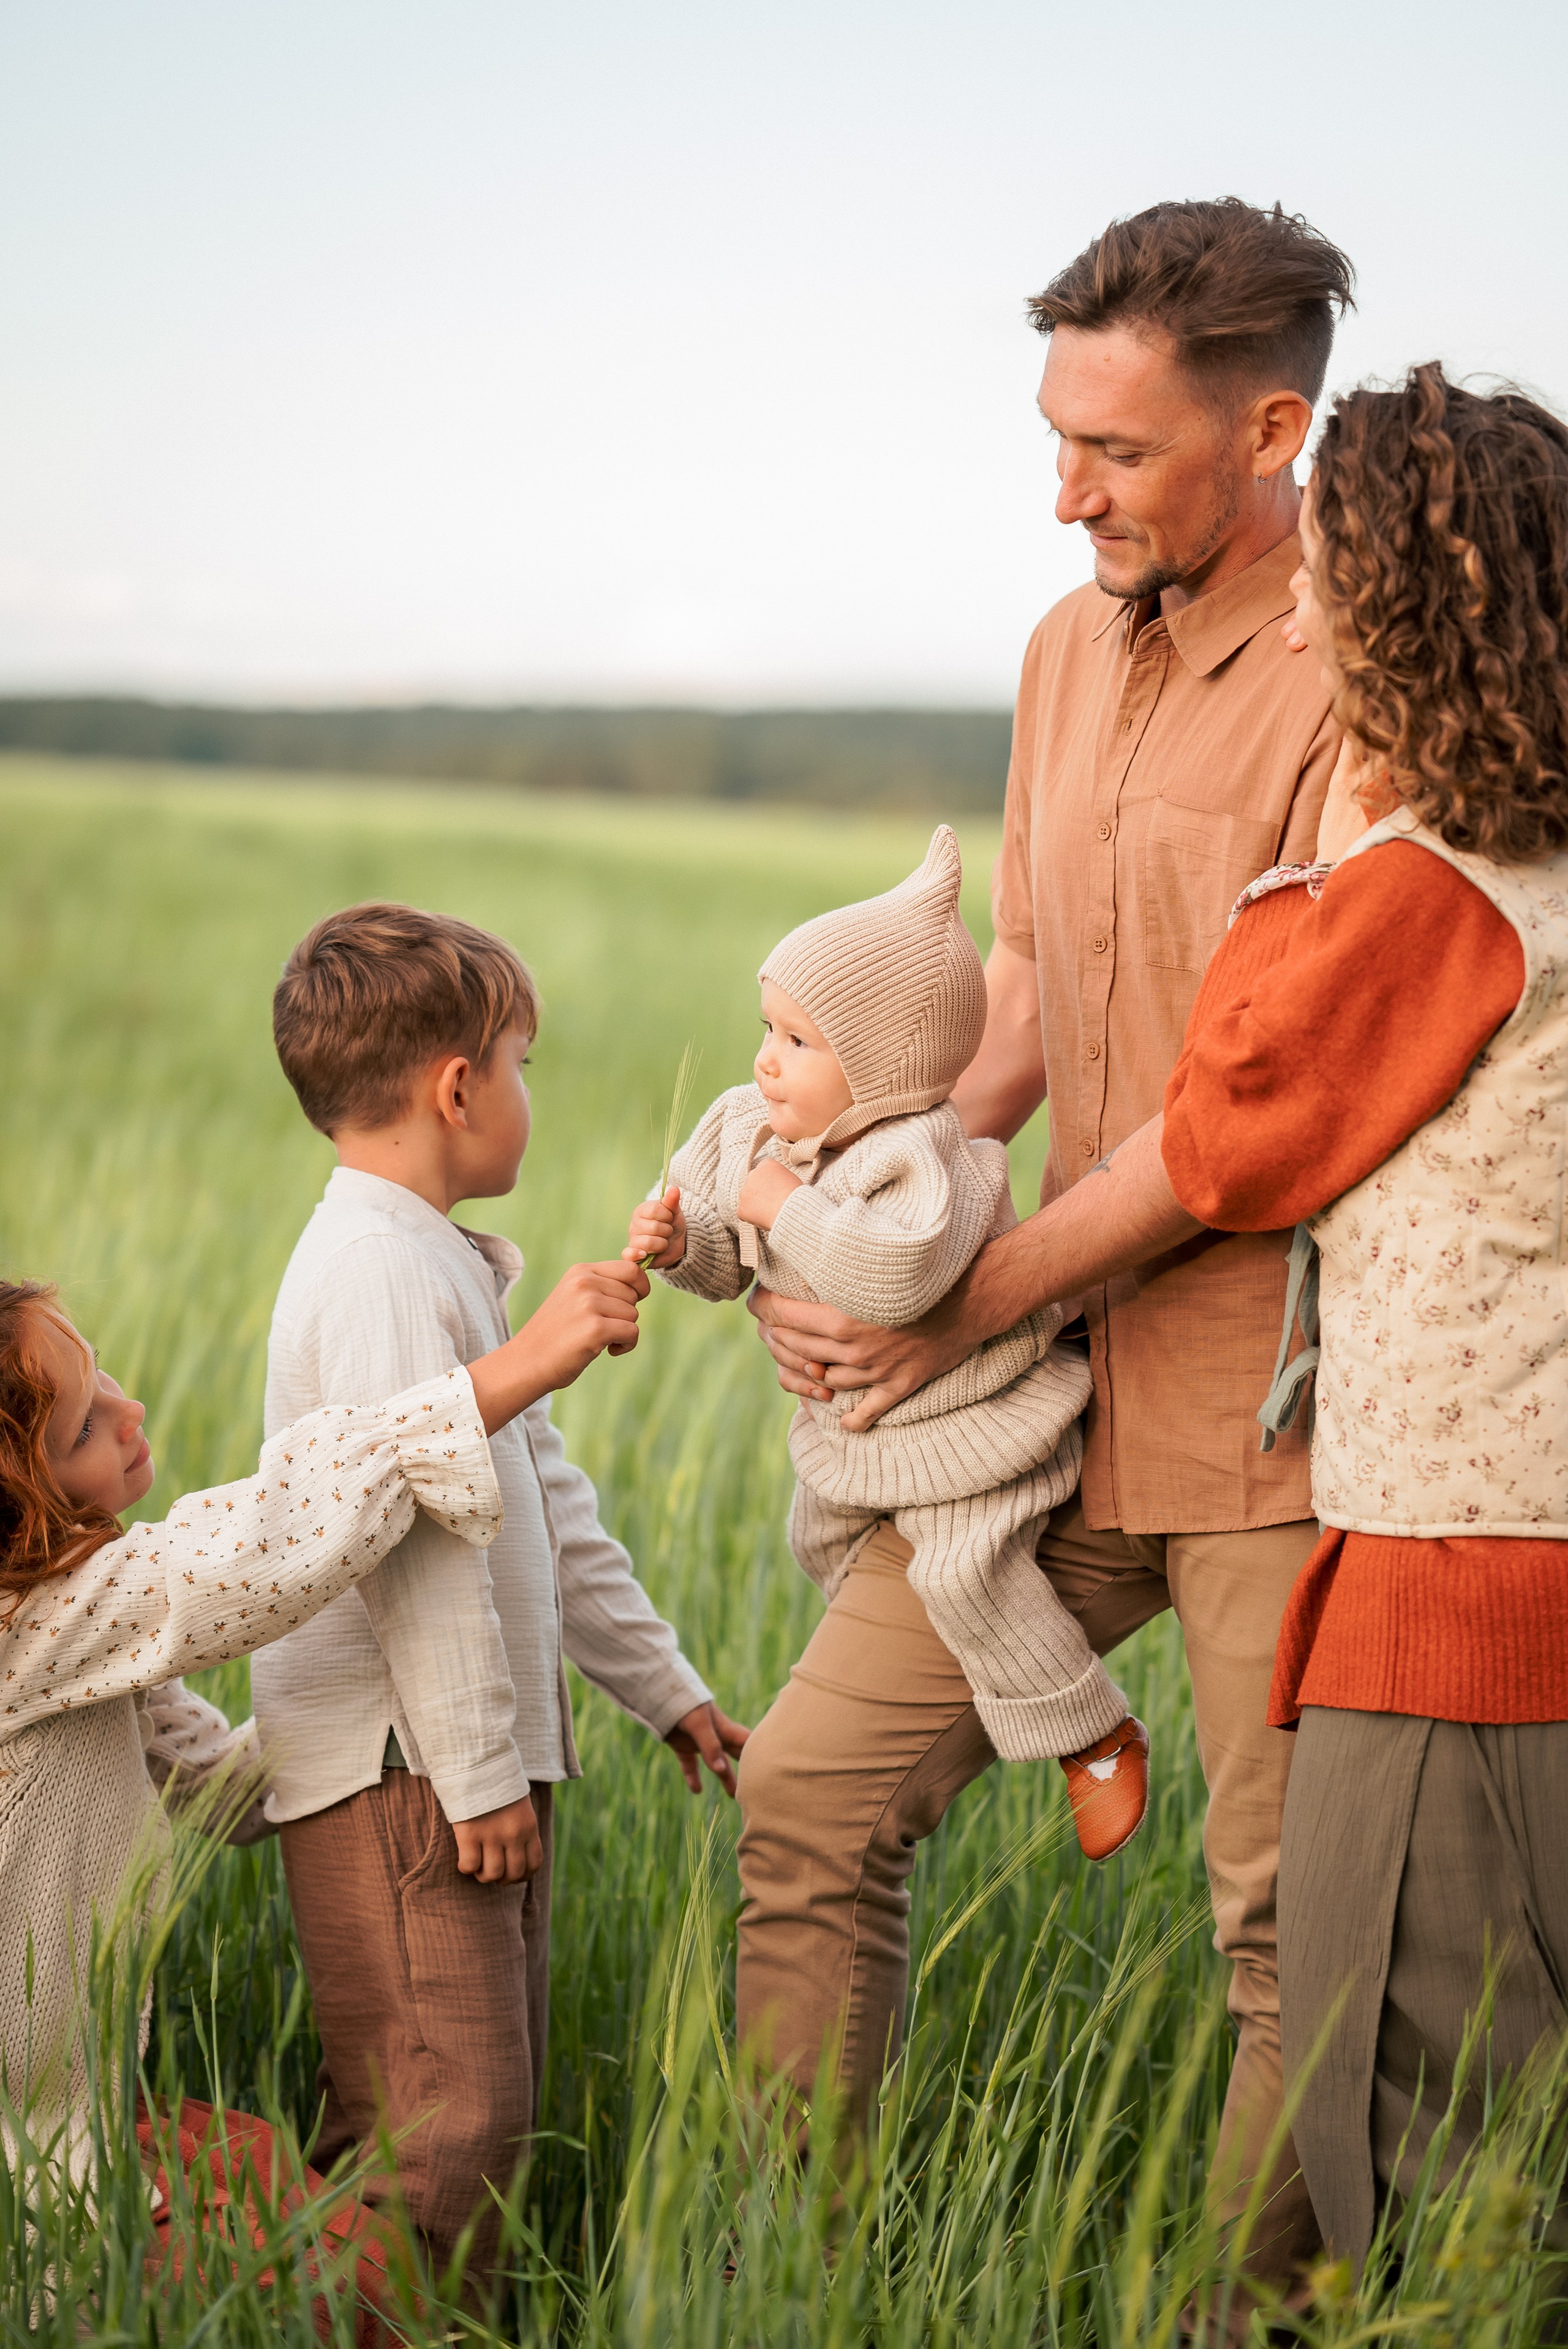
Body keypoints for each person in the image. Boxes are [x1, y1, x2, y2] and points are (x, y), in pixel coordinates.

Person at [737, 195, 1354, 2285]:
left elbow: (1255, 1105)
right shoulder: (1060, 651)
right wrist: (859, 1241)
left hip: (1289, 1417)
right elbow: (1019, 991)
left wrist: (955, 1304)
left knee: (1289, 1941)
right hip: (1049, 1404)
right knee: (811, 1795)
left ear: (1270, 431)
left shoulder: (1364, 681)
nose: (1064, 493)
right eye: (1055, 437)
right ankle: (788, 2284)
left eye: (1114, 451)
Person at [1160, 363, 1568, 2275]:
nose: (1301, 621)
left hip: (1464, 1602)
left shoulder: (1440, 892)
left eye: (1325, 575)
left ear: (1407, 604)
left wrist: (1333, 831)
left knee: (1430, 2168)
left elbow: (1225, 1131)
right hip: (1506, 1572)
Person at [0, 1248, 645, 2318]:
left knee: (331, 2236)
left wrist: (385, 1712)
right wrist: (503, 1377)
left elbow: (219, 1789)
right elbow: (246, 1550)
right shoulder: (27, 1628)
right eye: (81, 1428)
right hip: (35, 2173)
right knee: (366, 2290)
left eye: (102, 1375)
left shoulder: (75, 1639)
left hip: (84, 2120)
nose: (128, 1409)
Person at [254, 902, 749, 2276]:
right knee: (443, 2131)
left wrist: (663, 1689)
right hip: (406, 1772)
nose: (529, 1093)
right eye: (523, 1065)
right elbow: (409, 1546)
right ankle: (384, 2317)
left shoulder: (434, 1260)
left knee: (471, 2103)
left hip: (449, 1765)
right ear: (457, 1089)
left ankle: (412, 2309)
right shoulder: (377, 1271)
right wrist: (474, 1776)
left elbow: (545, 1505)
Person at [627, 825, 1148, 1862]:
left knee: (964, 1576)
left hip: (967, 1432)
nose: (766, 1060)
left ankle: (1089, 1732)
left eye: (800, 1042)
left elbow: (895, 1276)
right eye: (767, 1028)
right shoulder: (748, 1127)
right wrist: (685, 1245)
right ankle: (916, 1668)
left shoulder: (925, 1159)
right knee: (816, 1539)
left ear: (882, 1068)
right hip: (854, 1437)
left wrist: (781, 1206)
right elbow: (726, 1262)